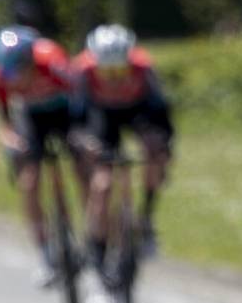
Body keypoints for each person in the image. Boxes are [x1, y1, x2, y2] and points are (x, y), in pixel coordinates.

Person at [0, 26, 85, 289]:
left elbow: (83, 96)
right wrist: (9, 139)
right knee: (28, 183)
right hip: (32, 118)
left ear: (31, 61)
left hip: (65, 113)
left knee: (84, 161)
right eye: (8, 72)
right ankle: (45, 254)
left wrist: (82, 135)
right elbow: (4, 118)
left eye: (20, 70)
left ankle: (93, 233)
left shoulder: (53, 60)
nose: (15, 78)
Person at [74, 24, 173, 269]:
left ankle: (146, 219)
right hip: (102, 116)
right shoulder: (82, 70)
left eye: (120, 70)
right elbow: (76, 116)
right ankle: (96, 251)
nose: (115, 79)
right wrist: (85, 142)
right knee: (103, 185)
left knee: (155, 151)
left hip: (137, 110)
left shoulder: (143, 68)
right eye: (107, 73)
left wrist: (164, 144)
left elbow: (161, 111)